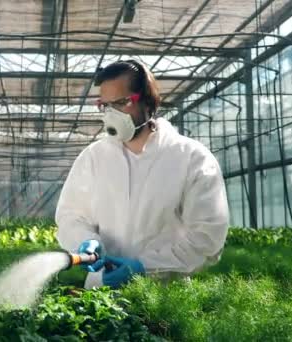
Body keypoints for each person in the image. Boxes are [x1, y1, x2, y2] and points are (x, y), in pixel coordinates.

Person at [55, 60, 229, 289]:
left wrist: (144, 267)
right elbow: (70, 217)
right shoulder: (93, 158)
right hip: (99, 293)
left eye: (121, 102)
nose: (111, 113)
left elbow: (206, 238)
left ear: (148, 100)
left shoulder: (191, 158)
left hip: (162, 299)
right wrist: (86, 242)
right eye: (104, 105)